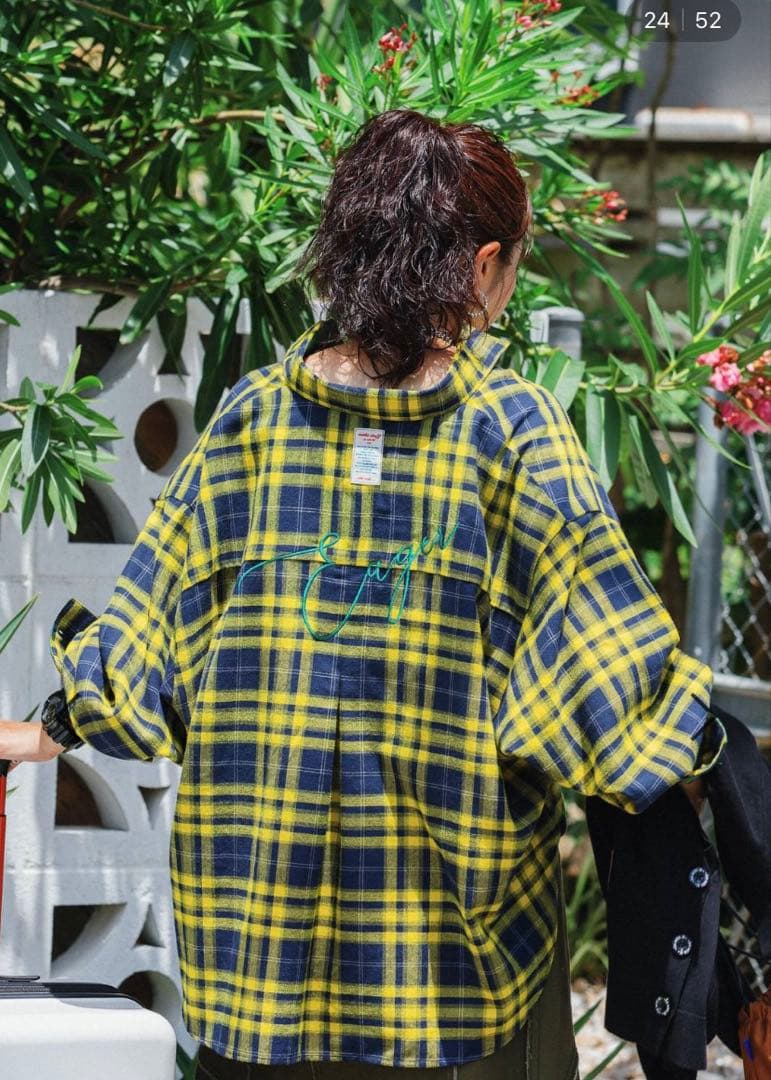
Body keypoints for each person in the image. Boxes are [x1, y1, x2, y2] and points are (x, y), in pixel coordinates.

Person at [0, 108, 724, 1080]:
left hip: (258, 972)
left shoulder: (250, 426)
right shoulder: (511, 433)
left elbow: (139, 657)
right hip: (447, 981)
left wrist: (46, 729)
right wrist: (724, 776)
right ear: (483, 267)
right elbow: (614, 692)